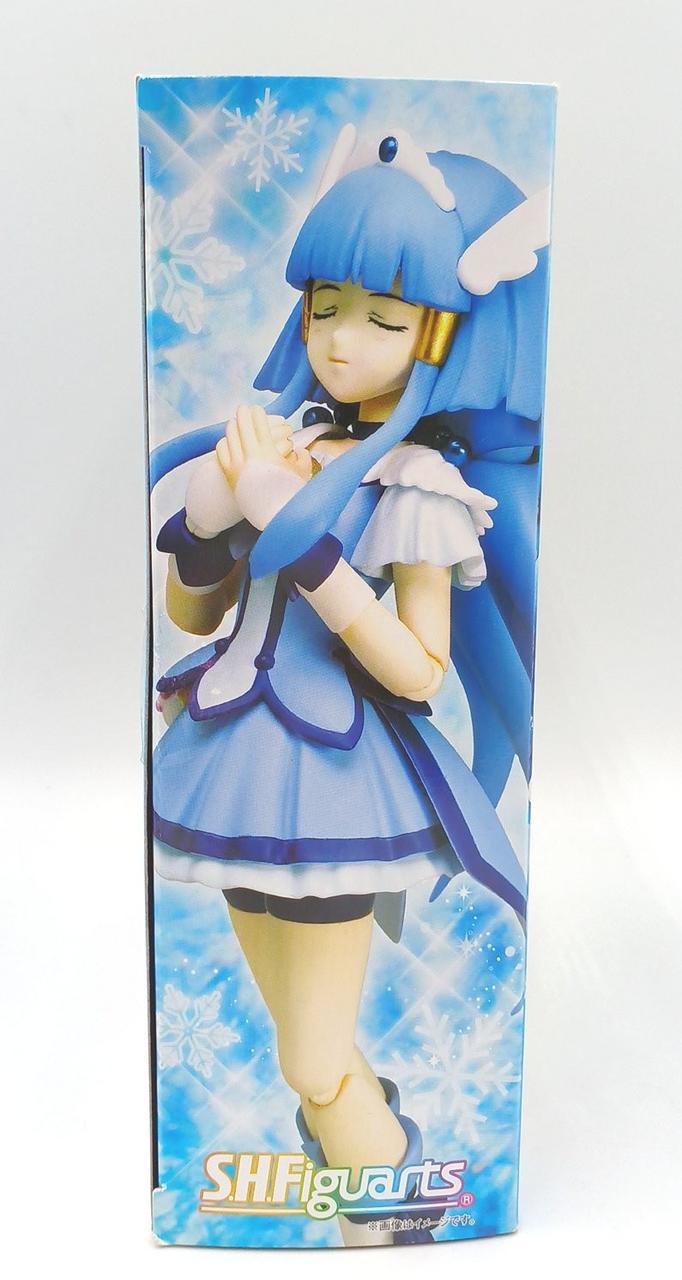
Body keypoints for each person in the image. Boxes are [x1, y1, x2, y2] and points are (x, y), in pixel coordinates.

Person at [150, 124, 549, 1245]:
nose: (340, 339)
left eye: (383, 316)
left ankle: (395, 1224)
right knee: (312, 1056)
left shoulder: (418, 483)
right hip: (230, 761)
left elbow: (419, 671)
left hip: (335, 779)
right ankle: (371, 1212)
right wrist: (212, 525)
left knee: (311, 1060)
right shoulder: (279, 438)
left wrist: (308, 545)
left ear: (441, 334)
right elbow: (196, 616)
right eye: (328, 306)